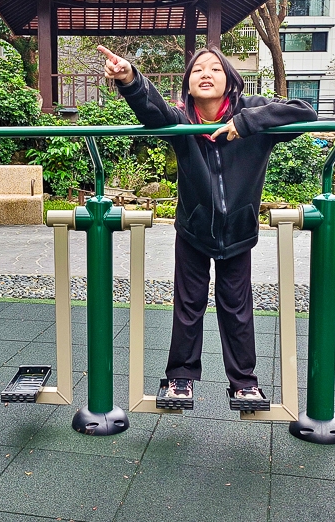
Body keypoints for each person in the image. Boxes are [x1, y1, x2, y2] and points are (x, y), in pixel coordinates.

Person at [98, 45, 318, 408]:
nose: (205, 73)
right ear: (187, 83)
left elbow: (305, 112)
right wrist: (129, 78)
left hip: (238, 231)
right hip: (194, 229)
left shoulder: (251, 113)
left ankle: (244, 382)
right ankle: (180, 378)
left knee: (236, 305)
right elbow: (151, 109)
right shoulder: (182, 121)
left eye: (215, 68)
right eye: (197, 69)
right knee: (188, 303)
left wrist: (246, 125)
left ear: (230, 80)